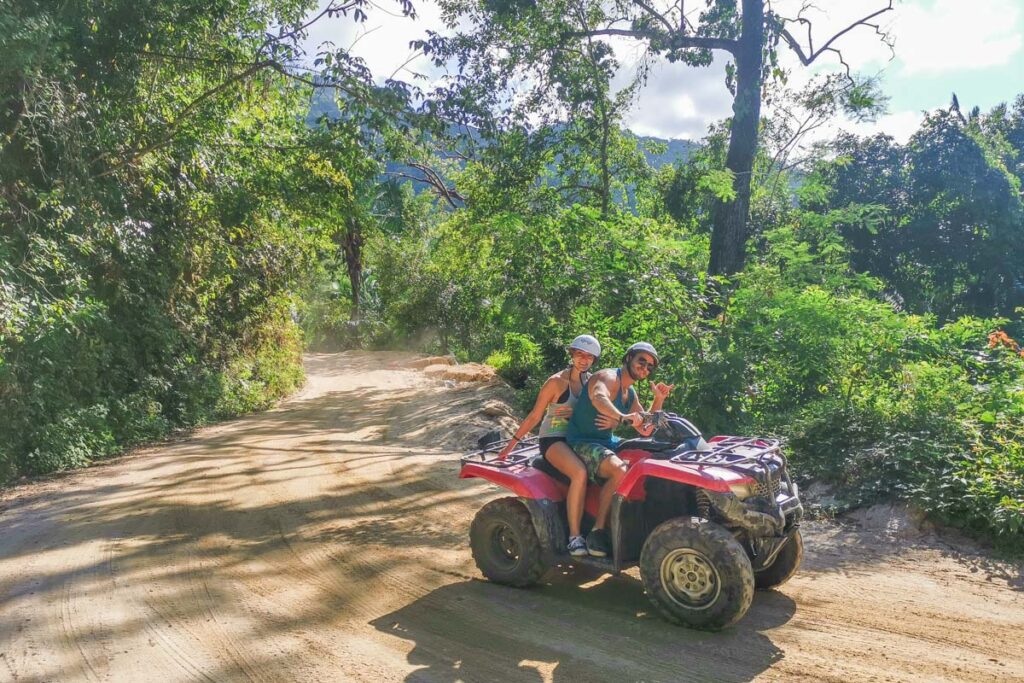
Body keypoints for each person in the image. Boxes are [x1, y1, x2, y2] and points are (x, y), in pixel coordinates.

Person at [566, 342, 674, 557]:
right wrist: (622, 417)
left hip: (607, 441)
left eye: (650, 366)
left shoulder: (629, 392)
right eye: (641, 361)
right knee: (619, 469)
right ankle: (597, 532)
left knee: (645, 458)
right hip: (582, 442)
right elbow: (599, 397)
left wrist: (658, 400)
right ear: (629, 358)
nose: (645, 368)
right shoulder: (608, 377)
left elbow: (645, 429)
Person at [497, 334, 602, 557]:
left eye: (589, 357)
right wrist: (510, 446)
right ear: (572, 354)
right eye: (580, 355)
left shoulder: (590, 382)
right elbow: (535, 416)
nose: (584, 360)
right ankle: (575, 537)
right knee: (580, 473)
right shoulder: (556, 382)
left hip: (577, 439)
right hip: (554, 439)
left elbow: (595, 413)